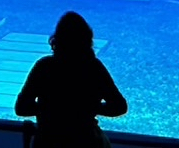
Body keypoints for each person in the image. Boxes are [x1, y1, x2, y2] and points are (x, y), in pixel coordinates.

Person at [15, 12, 126, 148]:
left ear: (57, 39)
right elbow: (119, 106)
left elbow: (21, 108)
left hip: (48, 141)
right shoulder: (93, 67)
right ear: (87, 39)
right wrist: (87, 108)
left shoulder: (44, 67)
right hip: (86, 141)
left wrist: (50, 108)